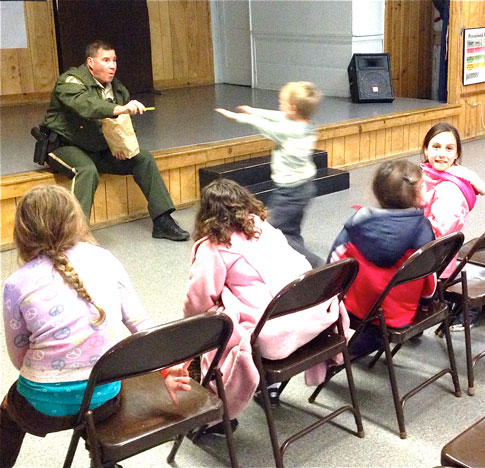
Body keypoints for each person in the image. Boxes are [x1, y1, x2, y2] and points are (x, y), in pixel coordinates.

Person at [0, 186, 187, 468]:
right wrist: (167, 368)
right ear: (75, 220)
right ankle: (104, 462)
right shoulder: (105, 259)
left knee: (6, 417)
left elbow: (18, 358)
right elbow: (141, 324)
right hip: (103, 400)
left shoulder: (15, 284)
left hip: (41, 406)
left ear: (23, 232)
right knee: (91, 405)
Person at [182, 179, 348, 428]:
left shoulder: (213, 247)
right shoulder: (262, 226)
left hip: (273, 339)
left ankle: (217, 411)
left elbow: (199, 300)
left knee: (213, 326)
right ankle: (267, 386)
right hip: (318, 321)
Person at [41, 40, 189, 241]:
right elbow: (86, 105)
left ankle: (163, 220)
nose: (112, 65)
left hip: (98, 147)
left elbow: (123, 126)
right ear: (91, 62)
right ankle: (74, 234)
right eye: (106, 60)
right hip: (64, 144)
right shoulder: (71, 81)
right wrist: (118, 109)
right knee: (86, 170)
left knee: (143, 158)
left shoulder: (118, 89)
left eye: (114, 60)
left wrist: (121, 145)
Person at [328, 160, 437, 357]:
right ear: (416, 195)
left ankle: (350, 349)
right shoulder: (424, 230)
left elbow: (333, 266)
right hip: (400, 313)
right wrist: (426, 301)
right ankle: (359, 347)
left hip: (359, 307)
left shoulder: (356, 224)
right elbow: (429, 278)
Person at [215, 81, 323, 267]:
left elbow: (266, 125)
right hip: (304, 186)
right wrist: (253, 110)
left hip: (291, 192)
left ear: (293, 108)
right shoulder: (303, 123)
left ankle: (317, 265)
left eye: (282, 102)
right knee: (290, 230)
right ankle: (298, 265)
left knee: (272, 232)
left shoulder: (289, 131)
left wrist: (238, 117)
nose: (279, 106)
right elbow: (279, 116)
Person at [420, 123, 485, 330]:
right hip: (427, 251)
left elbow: (437, 234)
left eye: (449, 149)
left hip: (434, 259)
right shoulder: (427, 174)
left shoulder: (450, 189)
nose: (441, 154)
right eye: (436, 147)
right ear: (426, 149)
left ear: (457, 153)